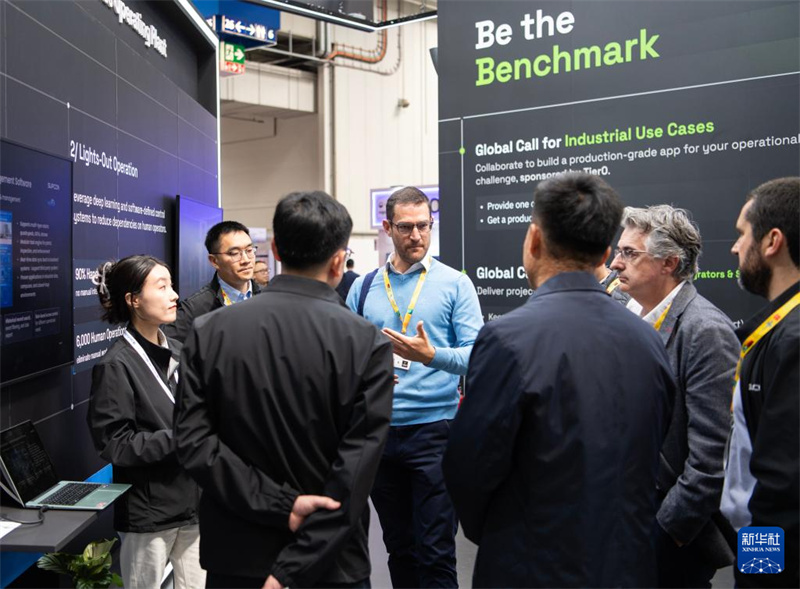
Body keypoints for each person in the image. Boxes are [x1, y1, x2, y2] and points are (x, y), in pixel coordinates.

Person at [442, 172, 675, 588]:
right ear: (606, 253)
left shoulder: (506, 339)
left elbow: (469, 468)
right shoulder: (648, 340)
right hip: (627, 566)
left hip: (531, 567)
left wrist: (496, 533)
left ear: (534, 239)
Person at [174, 191, 394, 589]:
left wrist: (280, 505)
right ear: (339, 260)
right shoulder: (367, 343)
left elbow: (193, 443)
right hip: (331, 563)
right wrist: (293, 566)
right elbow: (355, 472)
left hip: (239, 558)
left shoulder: (209, 332)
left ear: (273, 249)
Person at [346, 186, 483, 588]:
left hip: (435, 431)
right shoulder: (364, 287)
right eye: (406, 227)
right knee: (399, 549)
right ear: (387, 228)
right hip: (380, 432)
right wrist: (364, 373)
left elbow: (478, 355)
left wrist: (431, 355)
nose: (417, 236)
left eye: (424, 225)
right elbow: (346, 354)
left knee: (436, 551)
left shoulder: (455, 284)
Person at [610, 204, 740, 587]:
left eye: (629, 253)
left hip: (664, 536)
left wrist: (663, 535)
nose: (615, 263)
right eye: (618, 251)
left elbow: (710, 463)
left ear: (668, 263)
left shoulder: (706, 331)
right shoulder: (626, 315)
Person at [87, 255, 204, 589]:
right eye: (162, 287)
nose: (174, 295)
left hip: (194, 504)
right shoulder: (116, 365)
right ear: (133, 299)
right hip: (149, 513)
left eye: (172, 285)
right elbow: (115, 443)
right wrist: (183, 437)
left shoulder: (178, 350)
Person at [721, 177, 799, 588]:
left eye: (742, 234)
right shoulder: (781, 330)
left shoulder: (793, 340)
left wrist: (757, 572)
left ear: (772, 242)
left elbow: (782, 488)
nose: (735, 248)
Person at [164, 221, 261, 342]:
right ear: (214, 261)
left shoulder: (268, 296)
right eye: (234, 253)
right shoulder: (196, 307)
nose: (246, 260)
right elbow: (165, 344)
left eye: (249, 250)